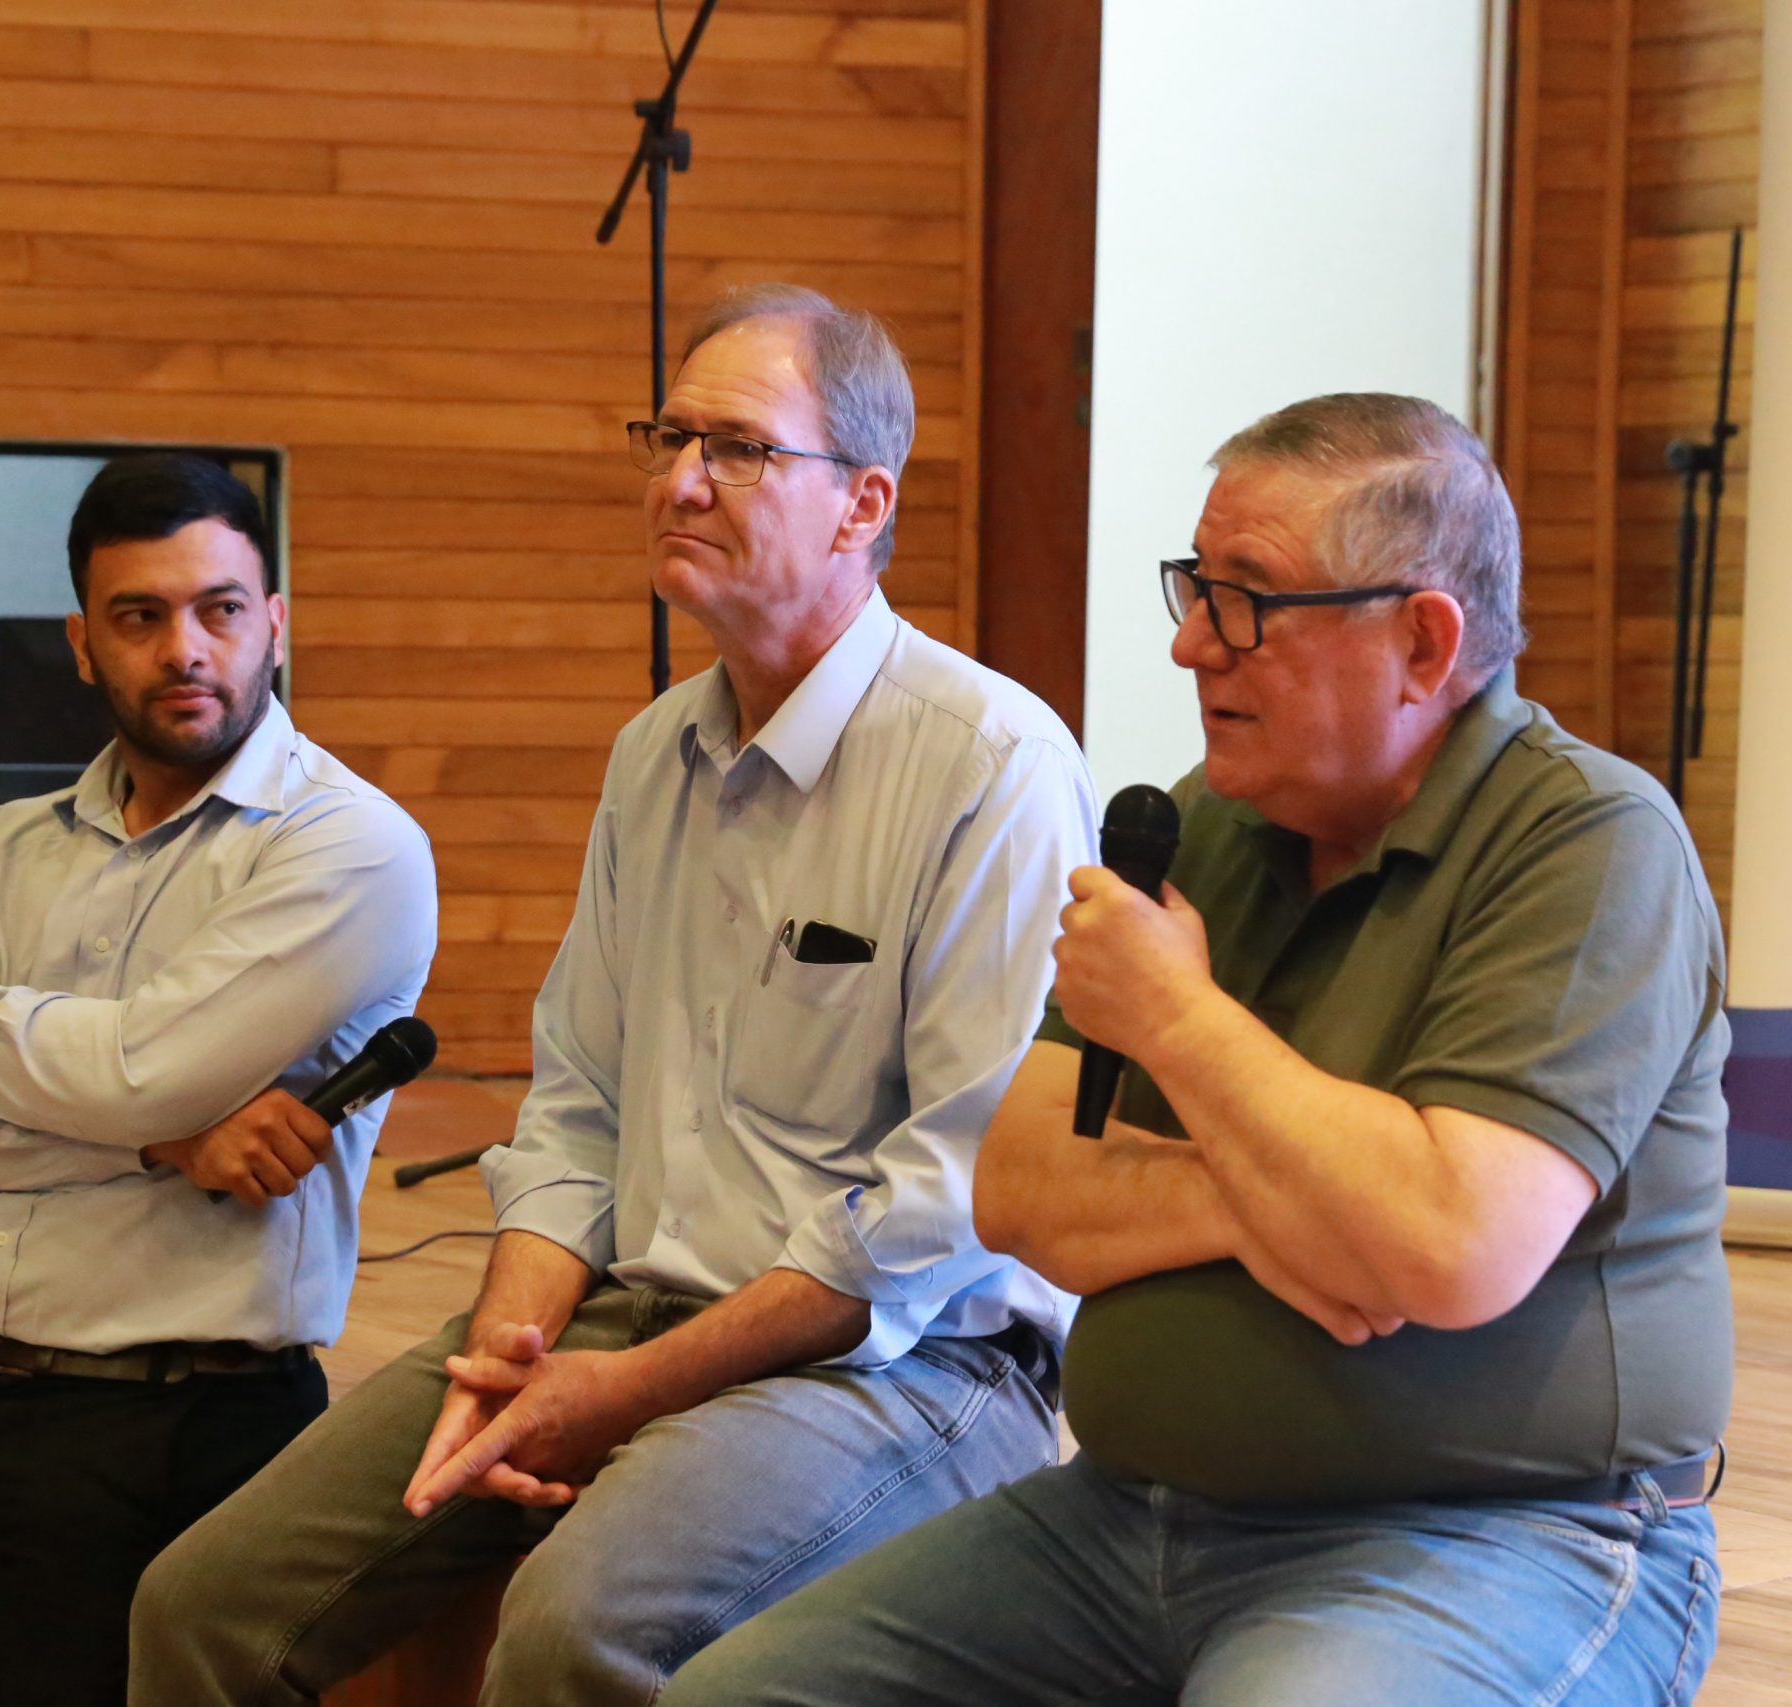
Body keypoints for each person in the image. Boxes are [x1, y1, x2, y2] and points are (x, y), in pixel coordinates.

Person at [663, 393, 1733, 1706]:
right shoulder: (1200, 825)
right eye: (1194, 585)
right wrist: (1295, 1204)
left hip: (1499, 1536)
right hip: (1126, 1516)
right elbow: (1023, 1191)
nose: (1189, 644)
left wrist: (1179, 1016)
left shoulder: (1589, 844)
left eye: (1247, 601)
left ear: (1422, 639)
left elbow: (1452, 1243)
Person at [128, 285, 1098, 1707]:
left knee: (570, 1627)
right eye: (670, 435)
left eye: (741, 448)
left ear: (862, 503)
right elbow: (575, 1101)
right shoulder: (656, 752)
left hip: (910, 1366)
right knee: (198, 1602)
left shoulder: (992, 764)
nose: (683, 478)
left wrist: (621, 1393)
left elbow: (940, 1209)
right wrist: (506, 1352)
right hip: (630, 1316)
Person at [0, 452, 439, 1707]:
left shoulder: (349, 845)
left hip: (175, 1426)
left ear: (274, 625)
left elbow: (133, 1072)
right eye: (140, 617)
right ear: (84, 644)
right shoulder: (14, 846)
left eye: (220, 609)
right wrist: (167, 1141)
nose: (186, 648)